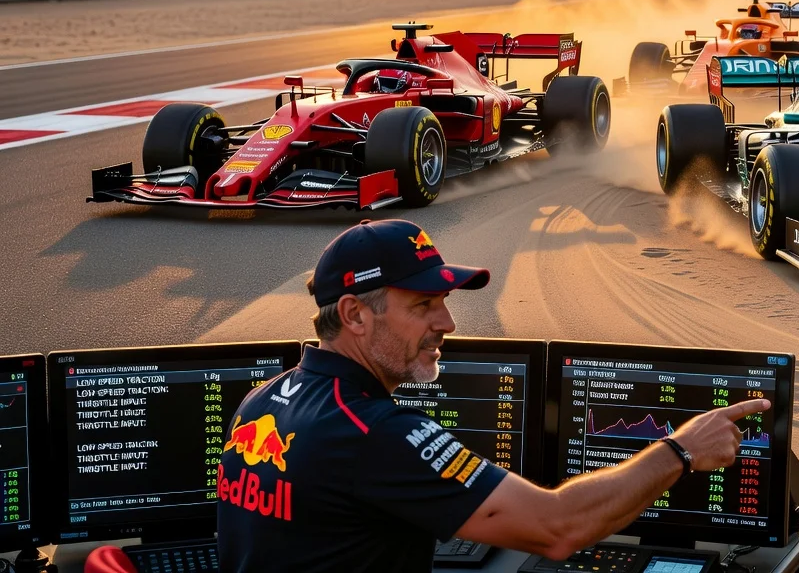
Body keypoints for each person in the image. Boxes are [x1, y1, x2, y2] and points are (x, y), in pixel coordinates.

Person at [216, 219, 769, 572]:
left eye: (444, 303)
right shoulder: (376, 434)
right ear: (354, 314)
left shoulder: (261, 402)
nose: (448, 323)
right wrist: (680, 451)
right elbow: (558, 528)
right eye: (423, 306)